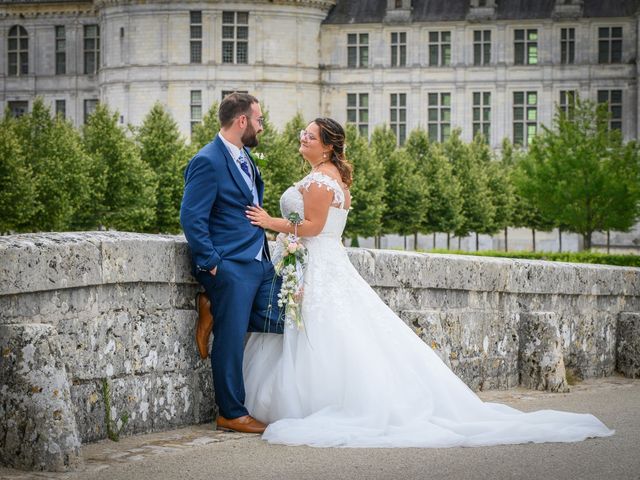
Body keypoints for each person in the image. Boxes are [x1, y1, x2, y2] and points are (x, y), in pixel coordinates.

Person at [242, 117, 614, 447]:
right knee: (338, 332)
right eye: (302, 134)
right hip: (323, 262)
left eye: (309, 136)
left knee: (323, 333)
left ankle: (322, 401)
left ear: (327, 146)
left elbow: (313, 228)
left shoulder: (322, 182)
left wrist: (268, 221)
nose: (302, 139)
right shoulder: (331, 178)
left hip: (320, 262)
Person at [180, 93, 284, 434]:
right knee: (231, 335)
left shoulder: (245, 157)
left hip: (258, 260)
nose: (261, 126)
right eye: (259, 120)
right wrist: (211, 263)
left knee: (282, 317)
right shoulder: (208, 160)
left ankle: (211, 305)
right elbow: (191, 216)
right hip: (228, 266)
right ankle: (232, 412)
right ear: (242, 121)